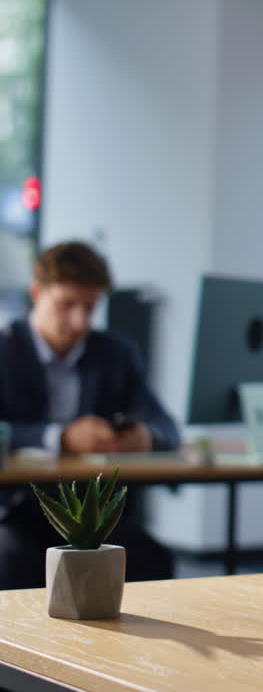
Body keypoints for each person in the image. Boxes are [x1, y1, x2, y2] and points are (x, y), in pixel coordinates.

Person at [0, 241, 179, 589]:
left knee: (151, 557)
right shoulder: (5, 351)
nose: (80, 322)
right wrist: (60, 438)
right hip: (16, 509)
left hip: (93, 515)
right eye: (67, 305)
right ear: (37, 293)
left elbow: (166, 427)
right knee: (11, 557)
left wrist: (147, 436)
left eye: (90, 307)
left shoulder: (115, 353)